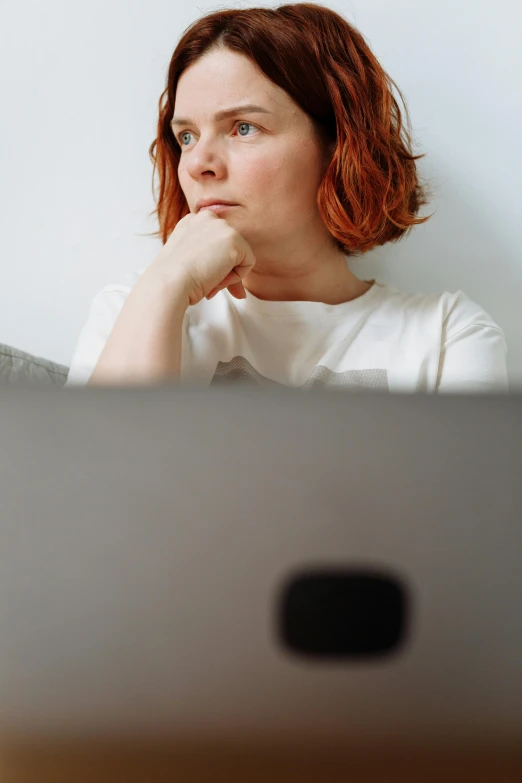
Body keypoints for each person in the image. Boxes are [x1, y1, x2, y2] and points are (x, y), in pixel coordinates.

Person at [64, 3, 508, 393]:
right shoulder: (132, 308)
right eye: (186, 135)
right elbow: (85, 482)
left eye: (243, 127)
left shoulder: (449, 336)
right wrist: (164, 283)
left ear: (339, 144)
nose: (199, 163)